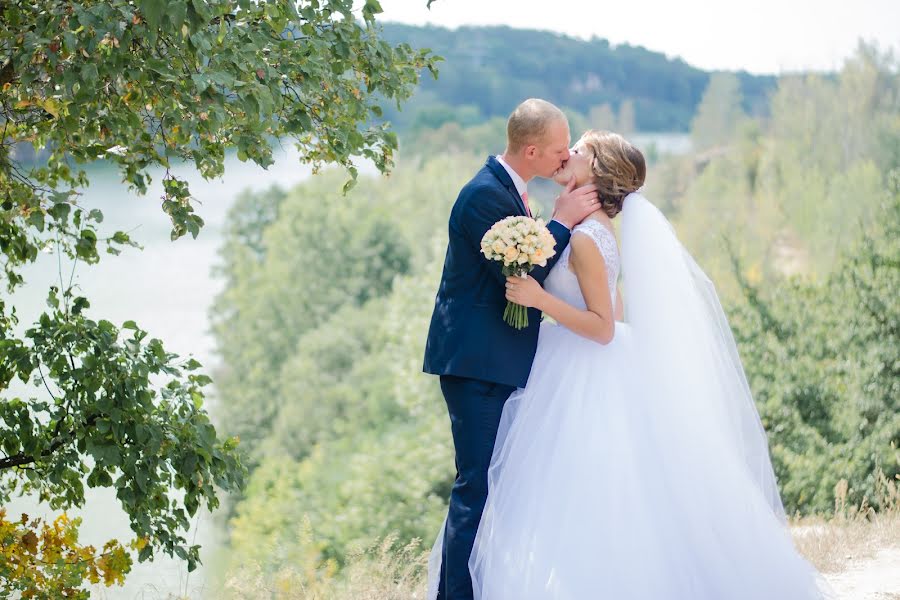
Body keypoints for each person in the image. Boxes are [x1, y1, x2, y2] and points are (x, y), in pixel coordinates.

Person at [426, 130, 831, 599]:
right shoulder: (593, 230)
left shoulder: (585, 240)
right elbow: (613, 309)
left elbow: (604, 327)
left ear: (595, 171)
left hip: (579, 368)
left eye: (577, 150)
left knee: (568, 493)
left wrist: (540, 299)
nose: (567, 154)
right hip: (569, 363)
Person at [422, 98, 600, 600]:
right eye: (559, 149)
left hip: (499, 360)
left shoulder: (512, 193)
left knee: (498, 485)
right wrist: (562, 222)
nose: (565, 158)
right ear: (531, 150)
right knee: (474, 486)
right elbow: (520, 279)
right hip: (476, 363)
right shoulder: (483, 196)